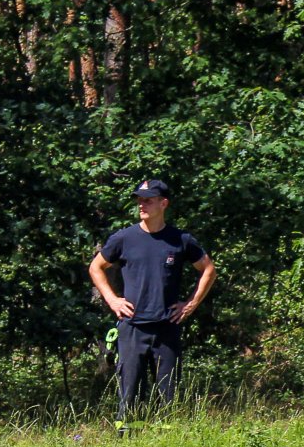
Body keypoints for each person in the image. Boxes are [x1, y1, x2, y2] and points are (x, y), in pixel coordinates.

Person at [89, 179, 216, 433]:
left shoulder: (180, 240)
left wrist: (190, 305)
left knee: (168, 393)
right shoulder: (124, 238)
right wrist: (113, 299)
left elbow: (209, 270)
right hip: (132, 327)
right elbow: (95, 267)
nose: (142, 205)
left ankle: (166, 444)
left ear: (163, 203)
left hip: (167, 327)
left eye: (148, 200)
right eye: (139, 200)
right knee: (130, 392)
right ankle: (128, 441)